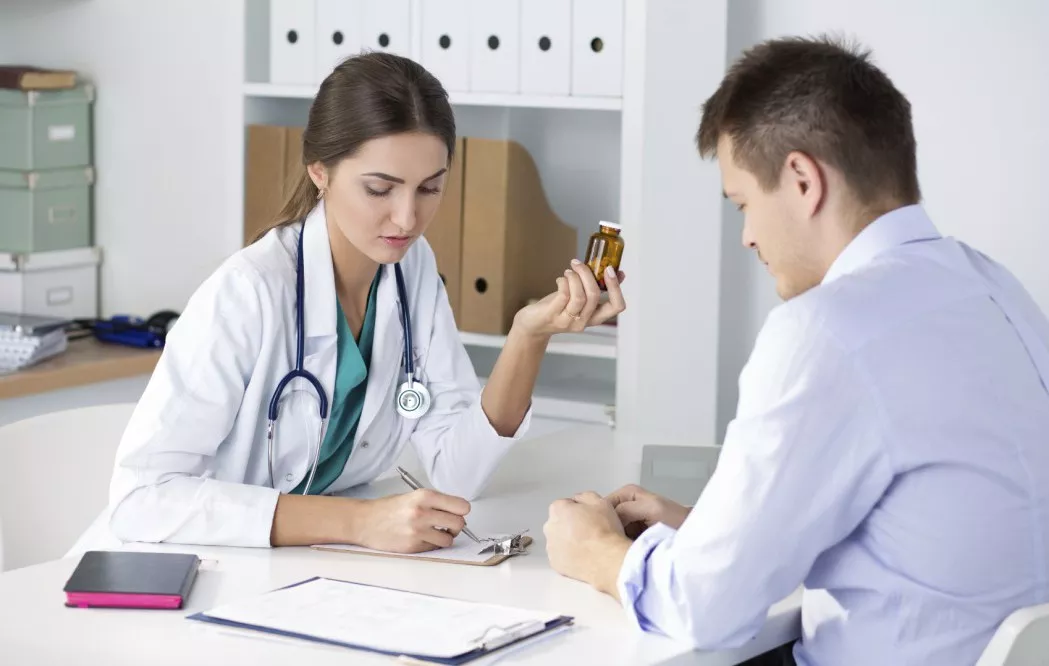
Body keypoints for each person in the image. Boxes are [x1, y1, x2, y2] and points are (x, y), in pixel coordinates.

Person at [543, 35, 1049, 666]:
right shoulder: (994, 288)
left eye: (744, 204)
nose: (749, 238)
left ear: (804, 181)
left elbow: (705, 611)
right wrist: (710, 527)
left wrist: (596, 550)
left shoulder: (828, 329)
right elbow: (923, 525)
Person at [74, 52, 625, 555]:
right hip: (176, 574)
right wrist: (356, 522)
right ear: (321, 172)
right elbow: (142, 498)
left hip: (297, 575)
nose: (407, 219)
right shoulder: (248, 293)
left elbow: (456, 475)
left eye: (430, 188)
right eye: (380, 189)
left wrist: (528, 336)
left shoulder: (411, 271)